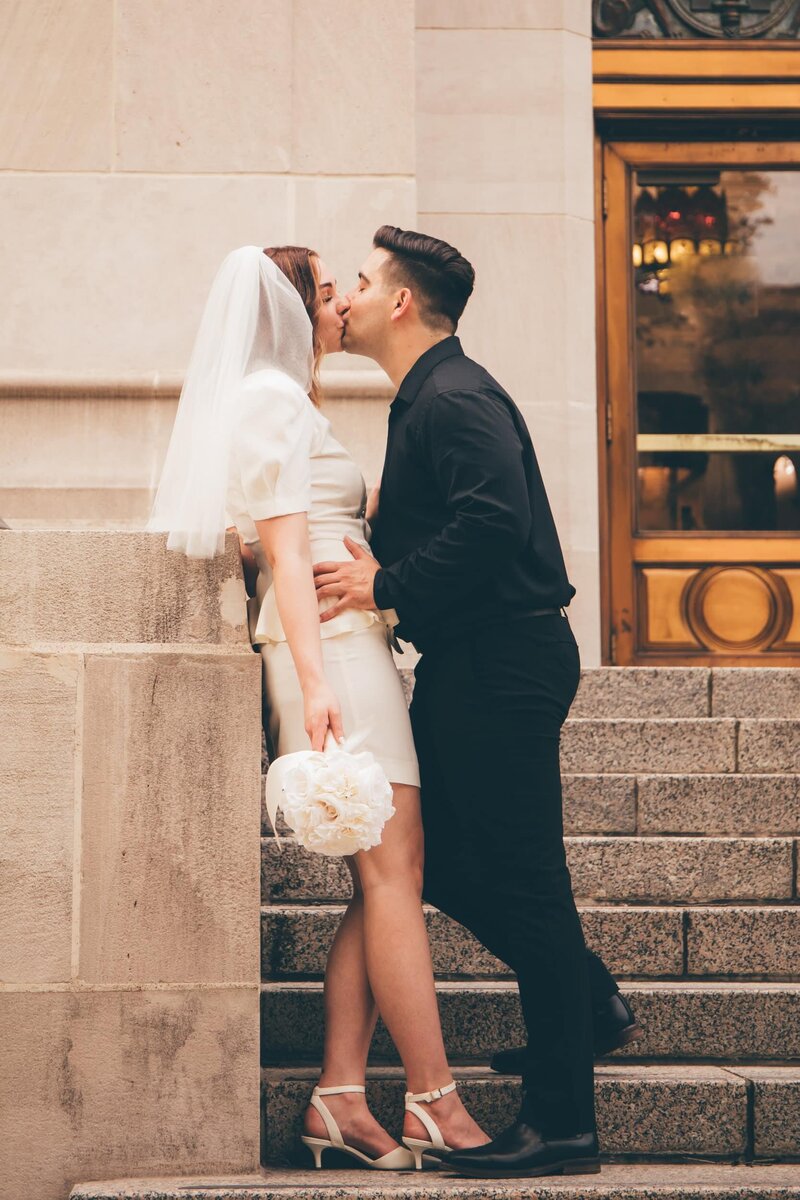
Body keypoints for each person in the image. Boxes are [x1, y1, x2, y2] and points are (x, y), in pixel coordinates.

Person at [149, 244, 486, 1172]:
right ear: (294, 311)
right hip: (329, 653)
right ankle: (434, 1099)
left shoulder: (292, 403)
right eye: (330, 294)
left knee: (388, 876)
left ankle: (340, 1094)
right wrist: (320, 680)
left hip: (353, 643)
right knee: (392, 872)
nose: (345, 307)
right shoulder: (266, 400)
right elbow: (287, 553)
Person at [312, 225, 639, 1179]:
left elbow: (496, 524)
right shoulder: (429, 398)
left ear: (402, 302)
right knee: (431, 861)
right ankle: (588, 1002)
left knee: (529, 882)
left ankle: (564, 1121)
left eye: (363, 281)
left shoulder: (454, 396)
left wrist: (387, 584)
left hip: (506, 660)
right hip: (477, 661)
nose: (352, 295)